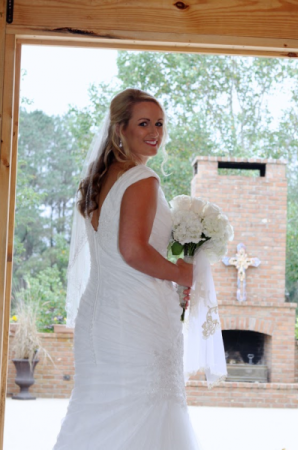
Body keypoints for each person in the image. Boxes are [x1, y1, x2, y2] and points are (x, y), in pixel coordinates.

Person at [53, 88, 202, 450]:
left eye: (160, 123)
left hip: (100, 316)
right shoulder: (142, 180)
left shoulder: (99, 180)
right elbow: (132, 251)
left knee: (98, 412)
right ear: (120, 129)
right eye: (143, 123)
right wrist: (183, 273)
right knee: (142, 412)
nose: (155, 132)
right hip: (137, 315)